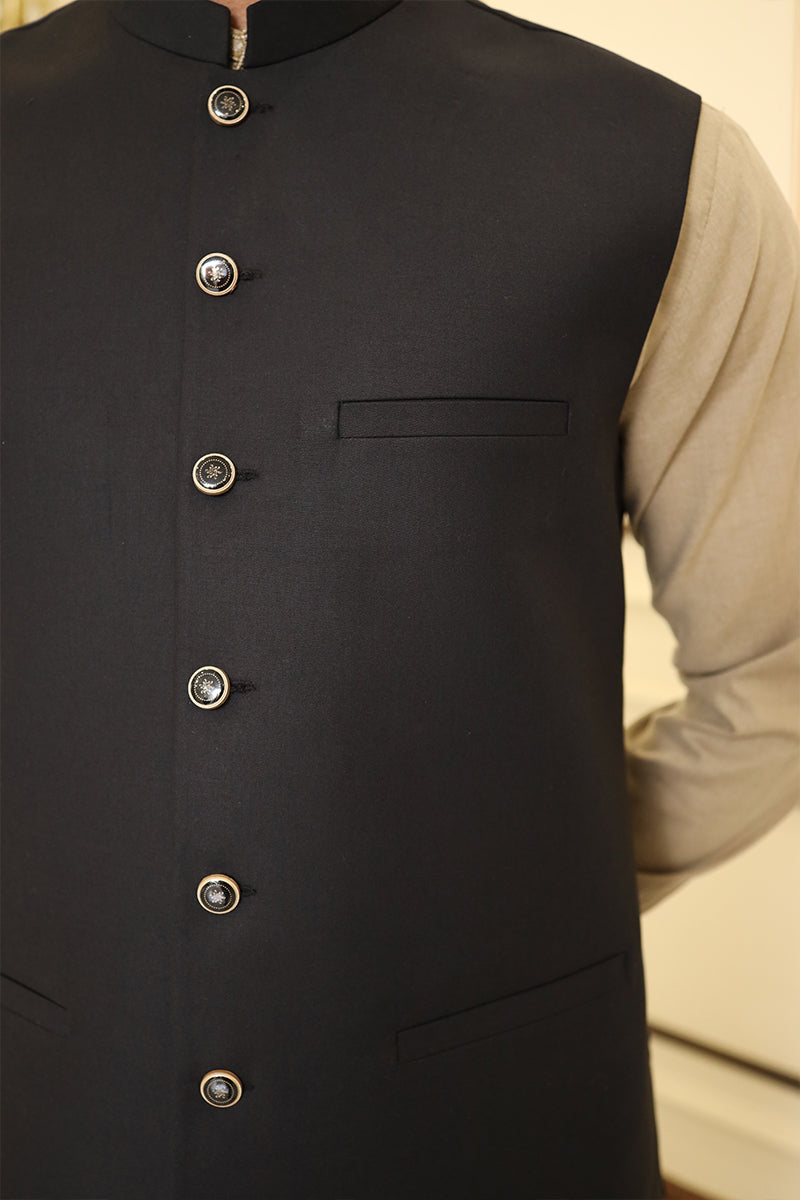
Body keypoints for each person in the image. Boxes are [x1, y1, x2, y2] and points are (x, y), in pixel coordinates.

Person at [1, 2, 797, 1197]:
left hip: (490, 1119)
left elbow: (775, 669)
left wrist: (533, 878)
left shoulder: (661, 162)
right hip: (45, 1096)